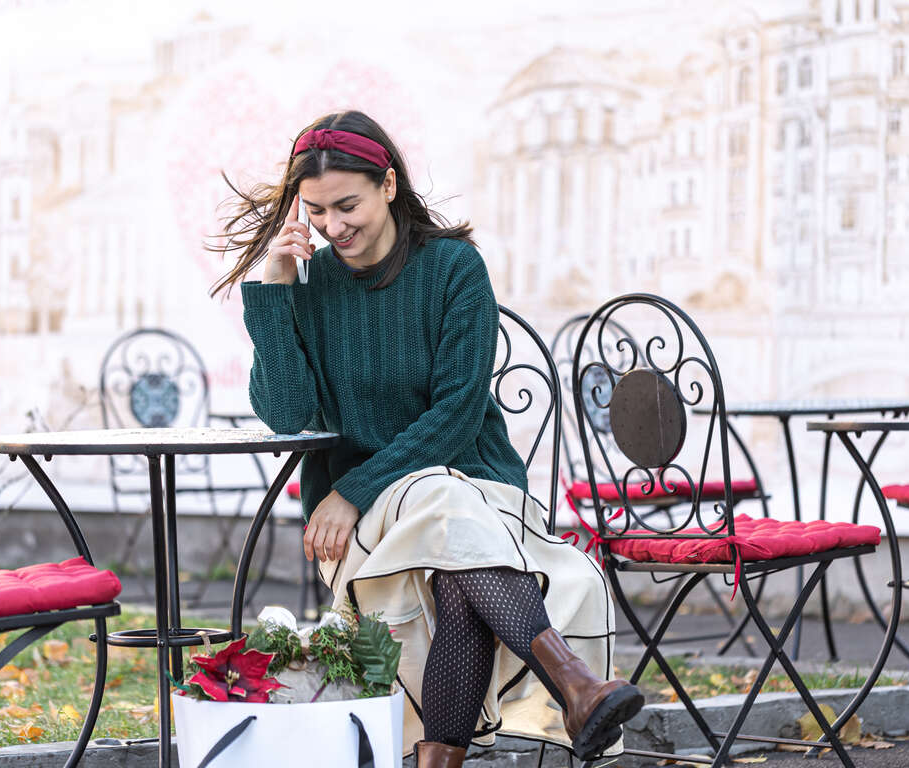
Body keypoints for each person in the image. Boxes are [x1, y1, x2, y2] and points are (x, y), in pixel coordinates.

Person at [211, 110, 643, 767]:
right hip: (366, 524)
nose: (333, 226)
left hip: (476, 495)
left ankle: (443, 758)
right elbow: (288, 414)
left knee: (454, 552)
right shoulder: (311, 282)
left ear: (388, 185)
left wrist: (354, 488)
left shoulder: (453, 267)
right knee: (443, 512)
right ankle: (575, 683)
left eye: (347, 205)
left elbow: (459, 410)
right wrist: (272, 290)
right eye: (317, 210)